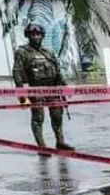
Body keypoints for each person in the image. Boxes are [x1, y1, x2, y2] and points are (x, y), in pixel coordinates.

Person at [13, 22, 73, 150]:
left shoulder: (49, 52)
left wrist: (65, 86)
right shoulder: (22, 52)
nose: (36, 37)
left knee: (57, 115)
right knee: (38, 118)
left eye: (38, 34)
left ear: (42, 35)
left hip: (52, 88)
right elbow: (17, 71)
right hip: (36, 88)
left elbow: (57, 71)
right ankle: (41, 146)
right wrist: (21, 93)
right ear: (28, 36)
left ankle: (60, 142)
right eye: (33, 34)